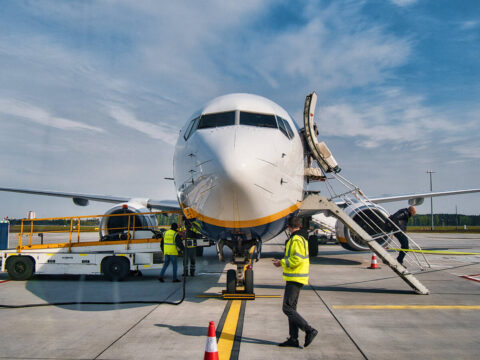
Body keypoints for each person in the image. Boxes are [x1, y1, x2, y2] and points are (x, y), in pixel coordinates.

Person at [273, 216, 318, 348]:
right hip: (296, 277)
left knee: (287, 308)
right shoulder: (301, 238)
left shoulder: (296, 239)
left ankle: (309, 330)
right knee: (292, 309)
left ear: (289, 227)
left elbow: (296, 259)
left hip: (295, 277)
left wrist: (281, 262)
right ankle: (293, 339)